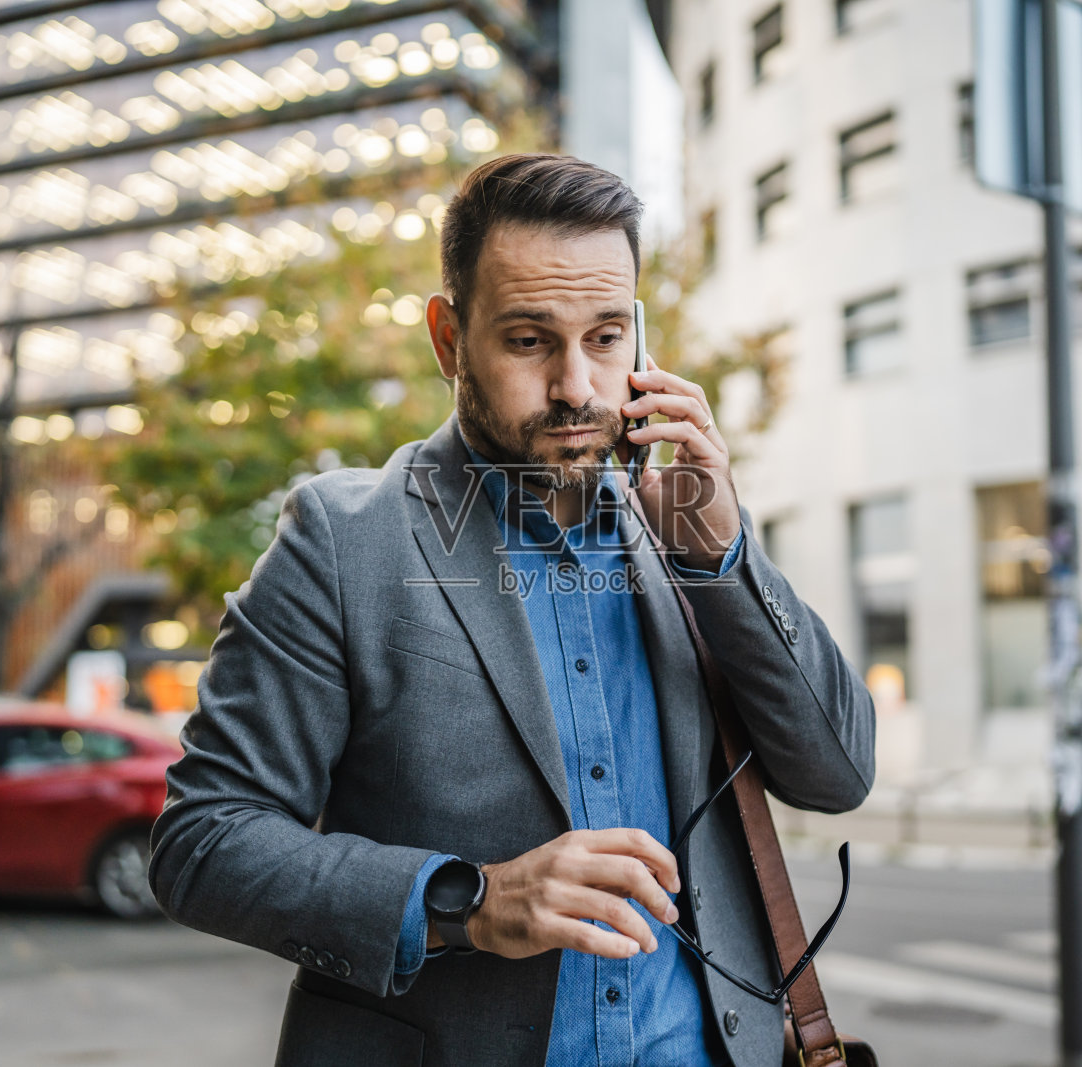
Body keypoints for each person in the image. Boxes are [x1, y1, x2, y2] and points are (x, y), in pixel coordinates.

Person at [147, 154, 877, 1066]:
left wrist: (722, 553)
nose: (577, 385)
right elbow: (203, 840)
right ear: (450, 339)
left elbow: (839, 772)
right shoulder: (343, 539)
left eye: (607, 337)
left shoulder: (686, 525)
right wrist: (471, 901)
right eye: (530, 340)